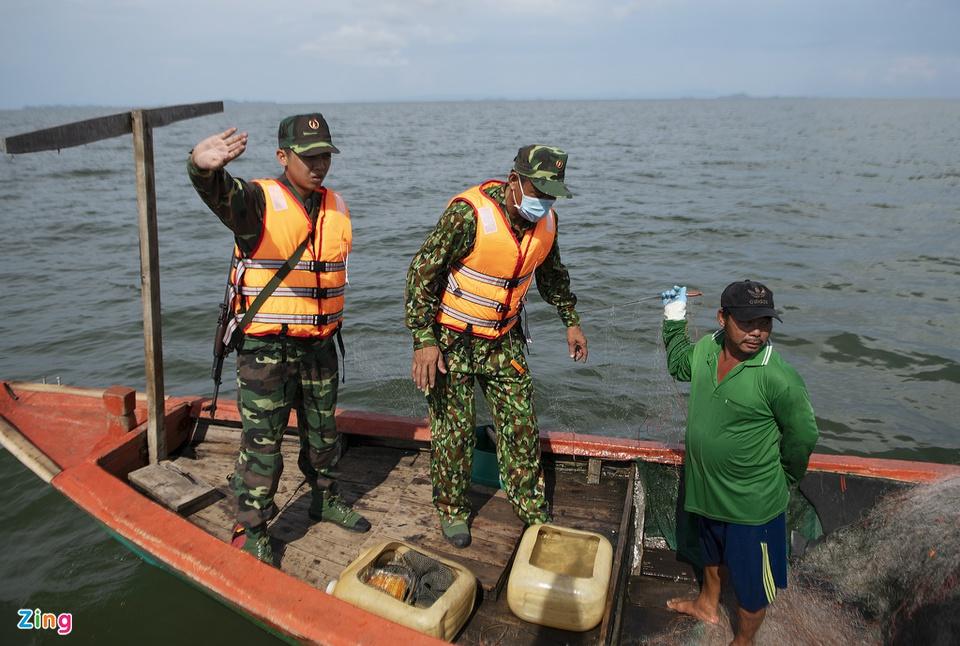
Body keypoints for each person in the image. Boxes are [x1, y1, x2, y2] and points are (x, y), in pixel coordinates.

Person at [188, 113, 370, 564]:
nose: (318, 165)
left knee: (323, 434)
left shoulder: (336, 205)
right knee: (262, 445)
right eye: (308, 156)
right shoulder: (257, 203)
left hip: (319, 345)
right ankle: (252, 529)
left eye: (324, 155)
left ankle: (324, 497)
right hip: (266, 351)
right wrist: (201, 168)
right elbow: (220, 195)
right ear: (283, 156)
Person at [405, 144, 588, 549]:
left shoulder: (547, 225)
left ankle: (531, 509)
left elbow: (553, 276)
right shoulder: (467, 216)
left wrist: (570, 321)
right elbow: (421, 275)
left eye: (551, 194)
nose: (543, 201)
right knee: (453, 429)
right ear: (513, 182)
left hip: (503, 339)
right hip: (451, 339)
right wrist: (424, 341)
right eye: (537, 191)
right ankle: (452, 508)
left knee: (521, 424)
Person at [660, 280, 819, 645]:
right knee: (711, 559)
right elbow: (679, 366)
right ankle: (707, 603)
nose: (757, 332)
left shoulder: (778, 377)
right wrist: (673, 318)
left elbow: (804, 435)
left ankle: (743, 640)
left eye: (765, 322)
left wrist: (785, 478)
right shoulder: (706, 349)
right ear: (722, 318)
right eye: (747, 322)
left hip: (753, 507)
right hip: (706, 492)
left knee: (751, 590)